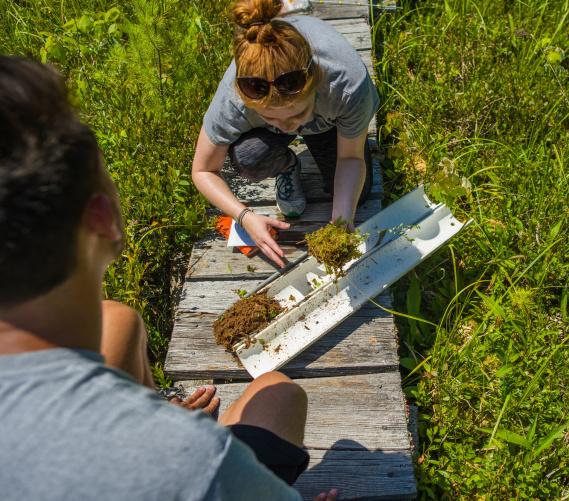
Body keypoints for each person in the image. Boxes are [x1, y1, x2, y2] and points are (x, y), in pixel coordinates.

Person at [0, 56, 337, 501]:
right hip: (160, 466)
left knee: (118, 320)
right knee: (279, 392)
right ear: (104, 220)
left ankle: (148, 409)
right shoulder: (196, 462)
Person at [192, 0, 379, 267]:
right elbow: (202, 170)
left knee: (357, 198)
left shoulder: (346, 87)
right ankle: (288, 165)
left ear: (315, 86)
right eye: (270, 117)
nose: (288, 127)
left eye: (297, 115)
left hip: (328, 122)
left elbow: (350, 159)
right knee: (249, 157)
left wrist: (342, 221)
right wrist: (244, 216)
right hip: (305, 116)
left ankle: (303, 126)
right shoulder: (233, 100)